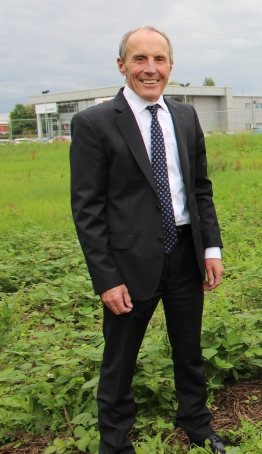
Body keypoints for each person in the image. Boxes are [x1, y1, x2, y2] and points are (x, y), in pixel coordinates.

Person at [70, 26, 228, 453]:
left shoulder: (184, 116)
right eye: (139, 59)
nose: (150, 69)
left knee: (189, 350)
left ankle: (196, 424)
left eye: (159, 60)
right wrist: (106, 278)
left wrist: (210, 249)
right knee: (119, 360)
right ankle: (115, 442)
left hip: (183, 254)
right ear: (122, 65)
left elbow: (199, 188)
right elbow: (87, 210)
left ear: (171, 67)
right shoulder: (94, 124)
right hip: (127, 264)